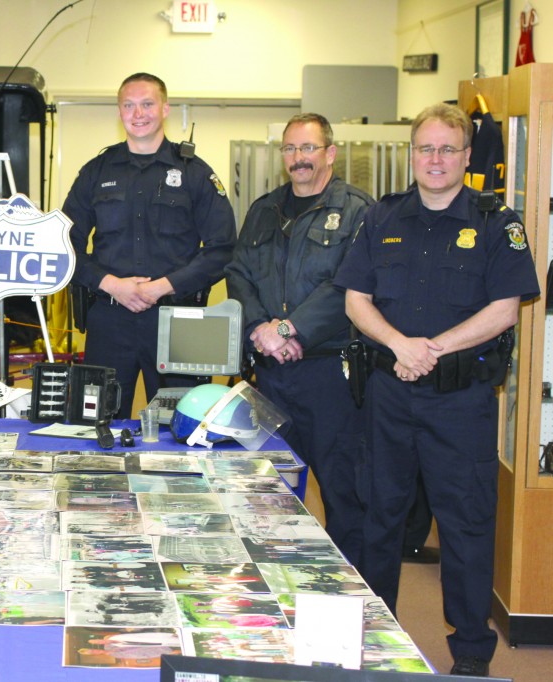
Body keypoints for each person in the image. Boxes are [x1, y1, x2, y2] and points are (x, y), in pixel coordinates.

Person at [335, 103, 539, 678]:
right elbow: (356, 300)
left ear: (468, 157)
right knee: (379, 515)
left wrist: (431, 349)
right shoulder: (381, 218)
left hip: (461, 402)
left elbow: (504, 310)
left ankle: (471, 651)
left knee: (466, 522)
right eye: (425, 148)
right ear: (412, 154)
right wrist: (401, 345)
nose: (436, 159)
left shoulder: (499, 223)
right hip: (388, 397)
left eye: (448, 149)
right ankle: (374, 636)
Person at [224, 112, 372, 568]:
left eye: (308, 148)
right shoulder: (264, 209)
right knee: (267, 486)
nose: (298, 159)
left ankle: (352, 594)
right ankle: (275, 577)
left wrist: (289, 329)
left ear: (330, 153)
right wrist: (259, 331)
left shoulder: (359, 211)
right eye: (290, 149)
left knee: (344, 492)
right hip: (269, 373)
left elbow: (349, 286)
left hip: (329, 376)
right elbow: (238, 273)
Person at [63, 72, 235, 417]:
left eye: (146, 104)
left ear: (165, 108)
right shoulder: (96, 172)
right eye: (128, 105)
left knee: (184, 424)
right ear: (119, 111)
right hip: (111, 318)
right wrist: (111, 285)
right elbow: (64, 245)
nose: (137, 113)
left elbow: (223, 248)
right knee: (98, 424)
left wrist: (161, 287)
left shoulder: (195, 173)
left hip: (181, 320)